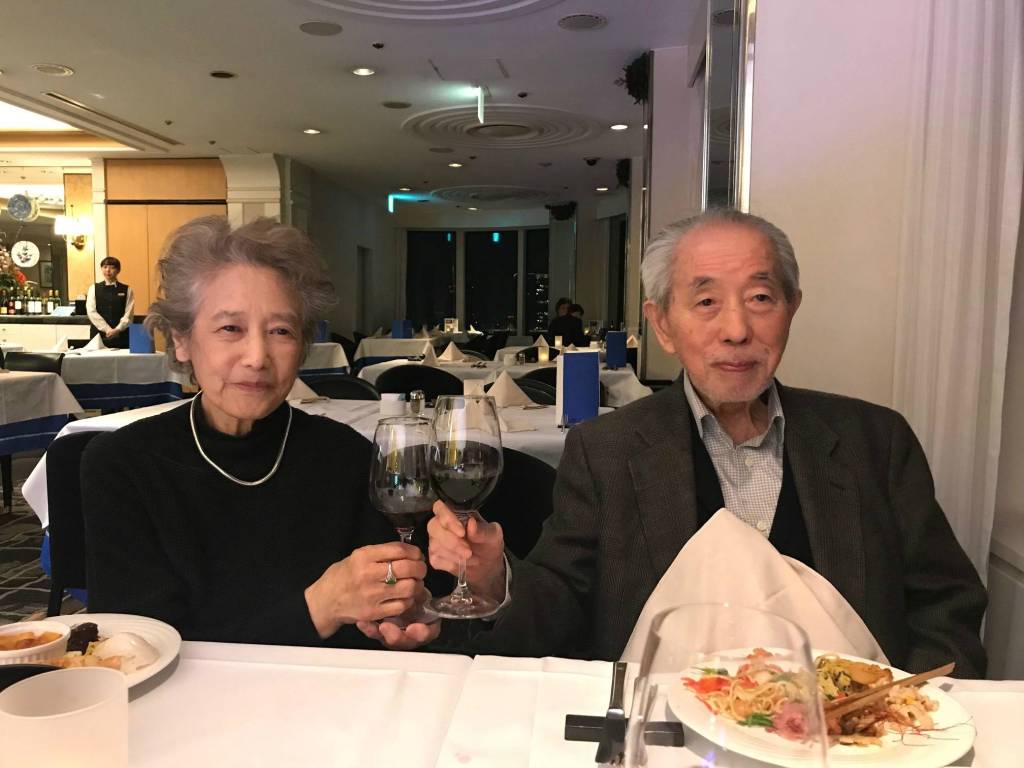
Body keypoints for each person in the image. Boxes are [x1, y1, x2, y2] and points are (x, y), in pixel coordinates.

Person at [428, 208, 988, 676]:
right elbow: (563, 604)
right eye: (705, 302)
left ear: (792, 309)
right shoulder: (608, 451)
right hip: (668, 739)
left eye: (762, 298)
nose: (737, 329)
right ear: (663, 325)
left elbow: (946, 608)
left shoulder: (875, 441)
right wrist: (496, 577)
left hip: (842, 746)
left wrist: (908, 717)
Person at [82, 216, 438, 651]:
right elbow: (138, 652)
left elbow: (390, 592)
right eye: (230, 328)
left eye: (280, 332)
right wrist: (318, 608)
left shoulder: (347, 456)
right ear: (181, 340)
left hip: (335, 704)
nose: (257, 356)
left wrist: (402, 613)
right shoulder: (123, 465)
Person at [86, 256, 134, 348]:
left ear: (118, 270)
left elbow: (129, 314)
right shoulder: (94, 288)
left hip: (121, 335)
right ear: (101, 269)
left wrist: (117, 329)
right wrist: (108, 329)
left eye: (112, 267)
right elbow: (91, 311)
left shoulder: (127, 289)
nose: (108, 270)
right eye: (105, 267)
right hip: (98, 336)